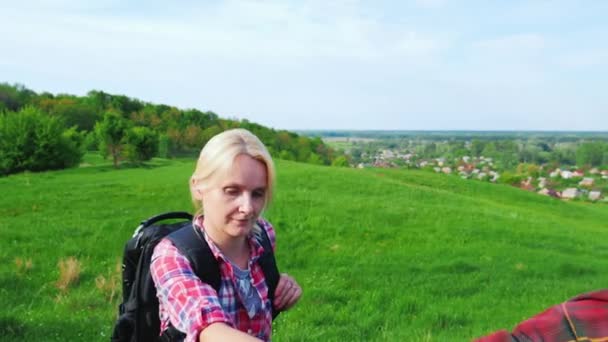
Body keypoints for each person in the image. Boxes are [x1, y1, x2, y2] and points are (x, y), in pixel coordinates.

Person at [150, 128, 302, 342]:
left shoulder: (263, 235)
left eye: (258, 193)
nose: (248, 208)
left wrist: (283, 290)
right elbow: (207, 326)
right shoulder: (171, 256)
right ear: (198, 187)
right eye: (232, 191)